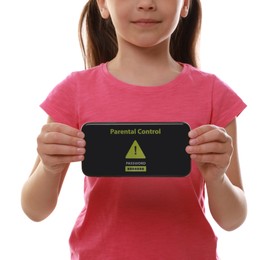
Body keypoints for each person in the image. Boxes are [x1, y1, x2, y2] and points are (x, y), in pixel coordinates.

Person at [21, 0, 247, 259]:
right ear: (103, 5)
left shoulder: (214, 94)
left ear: (185, 5)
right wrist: (50, 167)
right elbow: (34, 210)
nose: (146, 4)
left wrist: (217, 178)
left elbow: (233, 219)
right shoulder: (74, 91)